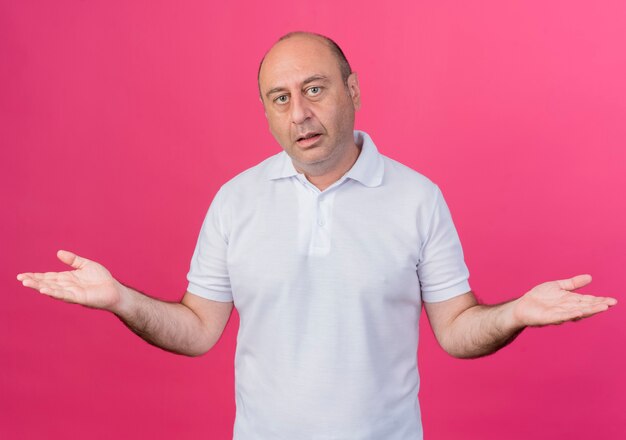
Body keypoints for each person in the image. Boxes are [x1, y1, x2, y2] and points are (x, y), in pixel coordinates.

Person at [17, 32, 617, 440]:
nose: (299, 112)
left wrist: (517, 312)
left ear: (351, 90)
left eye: (314, 88)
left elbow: (457, 331)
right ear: (268, 113)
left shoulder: (417, 198)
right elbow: (198, 331)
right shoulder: (236, 201)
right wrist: (120, 297)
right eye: (280, 98)